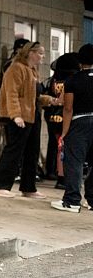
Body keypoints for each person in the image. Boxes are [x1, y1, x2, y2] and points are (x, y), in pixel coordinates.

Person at [0, 42, 56, 198]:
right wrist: (15, 115)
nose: (42, 56)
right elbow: (11, 94)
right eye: (40, 53)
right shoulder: (16, 68)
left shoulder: (32, 71)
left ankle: (28, 187)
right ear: (30, 53)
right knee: (14, 151)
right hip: (18, 117)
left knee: (32, 152)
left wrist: (49, 100)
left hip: (33, 116)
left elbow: (33, 97)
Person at [52, 44, 93, 213]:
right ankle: (92, 200)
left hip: (80, 122)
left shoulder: (73, 81)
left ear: (79, 62)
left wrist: (64, 132)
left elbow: (67, 109)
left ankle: (72, 200)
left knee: (74, 162)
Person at [41, 53, 80, 187]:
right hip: (67, 117)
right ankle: (63, 178)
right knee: (65, 148)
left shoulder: (52, 80)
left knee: (56, 145)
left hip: (53, 116)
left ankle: (53, 172)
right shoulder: (72, 80)